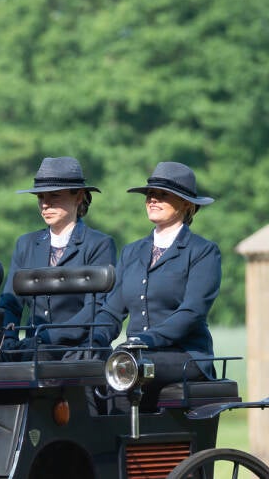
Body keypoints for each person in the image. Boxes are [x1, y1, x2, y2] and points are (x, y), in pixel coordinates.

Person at [92, 161, 221, 410]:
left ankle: (126, 434)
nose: (153, 199)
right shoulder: (131, 252)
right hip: (135, 353)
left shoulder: (203, 251)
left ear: (187, 204)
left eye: (163, 195)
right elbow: (112, 310)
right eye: (150, 194)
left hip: (185, 355)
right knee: (89, 368)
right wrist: (94, 340)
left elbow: (192, 312)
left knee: (125, 368)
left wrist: (145, 340)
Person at [0, 157, 116, 360]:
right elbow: (10, 303)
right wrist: (8, 338)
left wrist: (47, 337)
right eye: (40, 197)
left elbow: (95, 308)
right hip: (32, 351)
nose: (45, 204)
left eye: (54, 196)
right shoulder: (26, 244)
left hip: (78, 351)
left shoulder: (99, 244)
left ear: (78, 197)